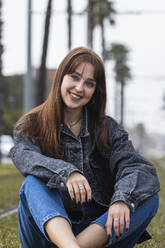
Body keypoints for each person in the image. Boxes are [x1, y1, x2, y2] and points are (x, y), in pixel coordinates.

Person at [10, 47, 160, 248]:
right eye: (75, 77)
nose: (79, 88)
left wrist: (121, 200)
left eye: (89, 83)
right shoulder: (32, 124)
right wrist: (67, 173)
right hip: (46, 231)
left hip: (95, 233)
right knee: (32, 183)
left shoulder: (107, 128)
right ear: (61, 77)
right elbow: (23, 155)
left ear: (95, 91)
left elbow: (138, 168)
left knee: (147, 198)